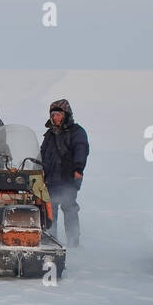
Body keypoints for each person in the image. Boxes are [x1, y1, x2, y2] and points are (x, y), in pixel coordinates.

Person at [39, 99, 88, 246]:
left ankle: (73, 242)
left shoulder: (76, 132)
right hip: (50, 179)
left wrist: (78, 169)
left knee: (69, 208)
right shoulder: (49, 134)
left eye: (58, 115)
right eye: (53, 115)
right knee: (49, 210)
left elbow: (81, 149)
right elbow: (42, 153)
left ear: (66, 115)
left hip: (68, 178)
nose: (55, 118)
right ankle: (51, 240)